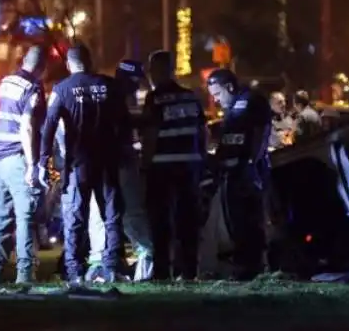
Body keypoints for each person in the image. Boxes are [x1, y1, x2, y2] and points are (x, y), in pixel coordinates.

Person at [39, 45, 129, 284]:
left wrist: (42, 160)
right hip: (107, 161)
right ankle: (111, 265)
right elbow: (125, 122)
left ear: (69, 64)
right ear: (90, 61)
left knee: (76, 216)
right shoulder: (110, 86)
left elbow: (49, 126)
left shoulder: (62, 89)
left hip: (78, 163)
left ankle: (74, 269)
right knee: (111, 215)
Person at [85, 59, 154, 282]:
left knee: (100, 211)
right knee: (131, 210)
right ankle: (144, 257)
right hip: (119, 162)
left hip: (100, 162)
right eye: (134, 82)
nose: (136, 87)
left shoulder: (106, 94)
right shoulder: (116, 97)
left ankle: (101, 261)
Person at [141, 51, 206, 281]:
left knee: (161, 224)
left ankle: (162, 272)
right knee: (188, 223)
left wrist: (145, 165)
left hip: (162, 169)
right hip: (190, 168)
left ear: (158, 71)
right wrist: (201, 161)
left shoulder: (155, 98)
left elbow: (151, 134)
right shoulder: (191, 97)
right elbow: (202, 132)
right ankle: (189, 271)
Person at [0, 46, 47, 284]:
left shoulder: (5, 82)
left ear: (23, 61)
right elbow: (28, 126)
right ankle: (24, 274)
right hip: (17, 158)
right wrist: (32, 164)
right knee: (25, 216)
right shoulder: (33, 88)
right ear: (42, 69)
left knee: (0, 216)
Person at [207, 68, 272, 280]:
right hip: (231, 172)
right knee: (235, 220)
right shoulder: (232, 107)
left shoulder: (252, 101)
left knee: (249, 220)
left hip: (246, 171)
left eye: (217, 94)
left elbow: (260, 133)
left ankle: (252, 266)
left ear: (229, 87)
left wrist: (252, 163)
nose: (216, 100)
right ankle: (242, 264)